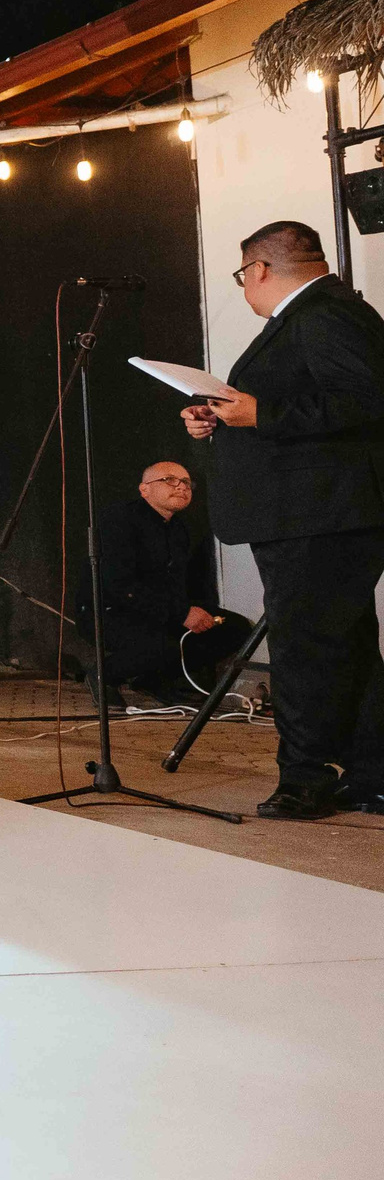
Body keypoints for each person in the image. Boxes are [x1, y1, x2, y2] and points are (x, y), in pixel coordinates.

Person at [184, 219, 384, 819]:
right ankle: (370, 773)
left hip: (320, 515)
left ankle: (306, 778)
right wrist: (223, 417)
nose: (246, 287)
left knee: (305, 650)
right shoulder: (325, 313)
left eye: (244, 275)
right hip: (318, 512)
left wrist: (260, 413)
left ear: (260, 270)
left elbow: (370, 400)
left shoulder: (322, 314)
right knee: (343, 647)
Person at [94, 461, 250, 704]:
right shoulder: (119, 520)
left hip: (160, 610)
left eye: (187, 482)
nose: (181, 487)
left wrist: (189, 612)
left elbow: (176, 584)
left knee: (235, 628)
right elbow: (119, 586)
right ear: (144, 489)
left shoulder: (178, 529)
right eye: (169, 480)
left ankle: (152, 679)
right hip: (113, 611)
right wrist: (181, 613)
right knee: (163, 645)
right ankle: (103, 675)